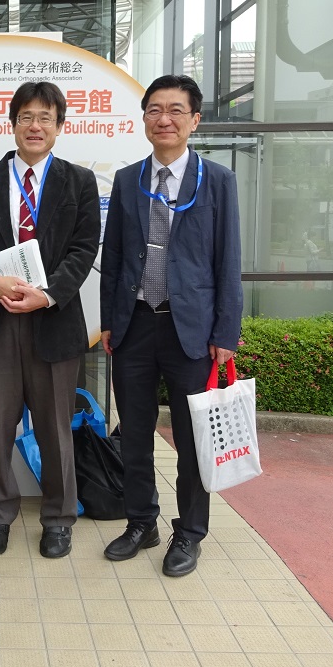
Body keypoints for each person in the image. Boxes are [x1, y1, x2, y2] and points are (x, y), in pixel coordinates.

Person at [0, 81, 100, 559]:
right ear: (13, 124)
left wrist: (46, 295)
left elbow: (83, 250)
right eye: (26, 116)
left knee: (55, 429)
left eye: (45, 118)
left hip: (54, 321)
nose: (35, 126)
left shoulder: (79, 181)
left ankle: (59, 519)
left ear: (59, 127)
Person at [99, 74, 242, 578]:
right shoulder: (128, 180)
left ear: (194, 120)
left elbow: (228, 261)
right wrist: (110, 321)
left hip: (192, 332)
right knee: (135, 435)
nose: (165, 119)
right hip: (135, 325)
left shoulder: (217, 180)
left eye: (176, 110)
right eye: (155, 110)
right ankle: (142, 523)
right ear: (144, 119)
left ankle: (190, 532)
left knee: (192, 440)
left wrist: (225, 333)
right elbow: (114, 258)